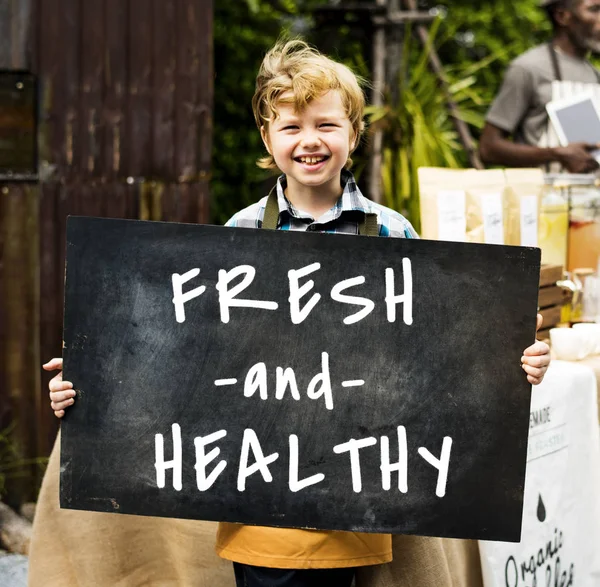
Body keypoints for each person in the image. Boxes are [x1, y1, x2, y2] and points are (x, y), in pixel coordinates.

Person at [45, 40, 551, 587]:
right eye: (291, 127)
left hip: (357, 494)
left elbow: (436, 348)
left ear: (353, 135)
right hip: (261, 498)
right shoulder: (237, 235)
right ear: (268, 139)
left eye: (327, 126)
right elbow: (180, 356)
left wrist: (512, 362)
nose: (310, 141)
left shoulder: (390, 233)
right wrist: (91, 382)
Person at [479, 0, 600, 173]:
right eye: (594, 9)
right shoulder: (528, 68)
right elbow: (488, 148)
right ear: (562, 16)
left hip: (592, 196)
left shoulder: (595, 75)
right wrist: (556, 154)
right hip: (542, 195)